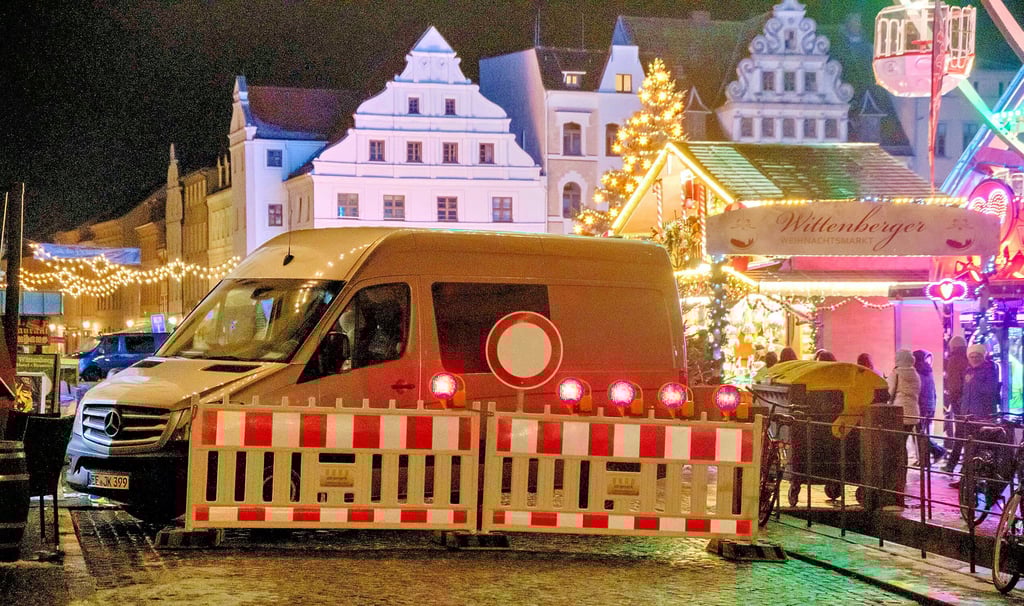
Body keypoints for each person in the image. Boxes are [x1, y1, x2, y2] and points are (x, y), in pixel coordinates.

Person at [886, 349, 921, 509]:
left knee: (897, 446)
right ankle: (903, 474)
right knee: (903, 445)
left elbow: (890, 392)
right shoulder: (915, 374)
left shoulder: (897, 373)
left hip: (898, 412)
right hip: (913, 412)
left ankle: (897, 476)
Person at [912, 349, 946, 464]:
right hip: (929, 405)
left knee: (920, 434)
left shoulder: (918, 372)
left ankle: (937, 451)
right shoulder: (928, 370)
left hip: (921, 406)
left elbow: (918, 391)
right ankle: (925, 459)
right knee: (923, 433)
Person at [942, 336, 969, 465]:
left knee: (959, 431)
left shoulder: (953, 360)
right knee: (965, 432)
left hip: (958, 400)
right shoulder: (967, 358)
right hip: (967, 400)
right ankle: (957, 463)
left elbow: (954, 383)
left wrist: (953, 398)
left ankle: (952, 464)